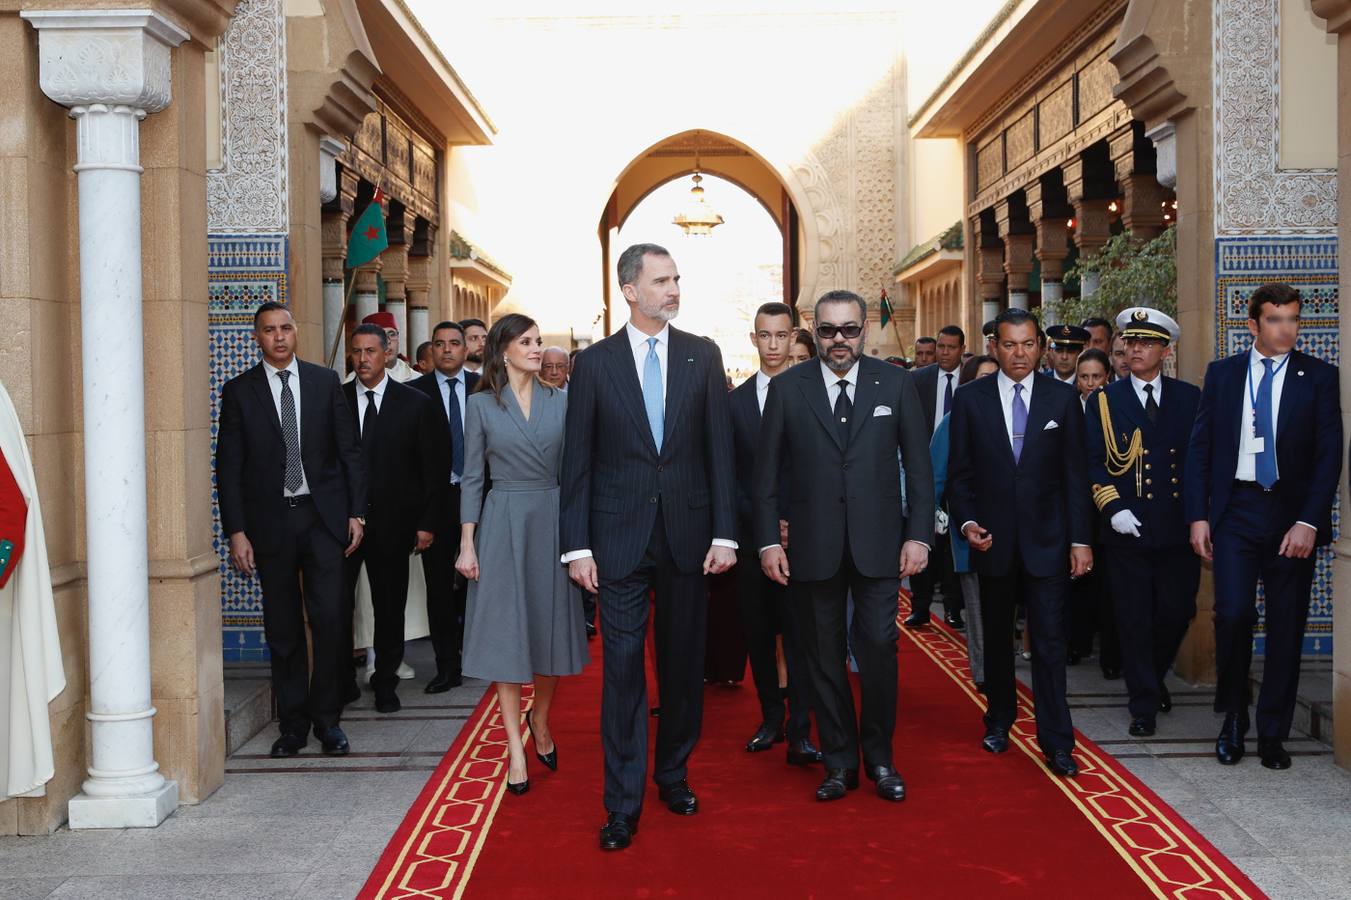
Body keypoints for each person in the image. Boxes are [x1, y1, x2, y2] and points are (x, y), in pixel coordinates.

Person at [560, 243, 736, 851]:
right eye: (661, 281)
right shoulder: (596, 364)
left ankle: (673, 773)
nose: (673, 289)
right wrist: (576, 546)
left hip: (690, 539)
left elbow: (720, 452)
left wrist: (725, 532)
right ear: (629, 290)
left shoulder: (702, 356)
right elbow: (577, 462)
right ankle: (622, 802)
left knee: (685, 668)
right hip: (617, 541)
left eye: (677, 279)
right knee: (623, 674)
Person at [757, 290, 934, 803]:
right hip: (812, 549)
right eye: (829, 330)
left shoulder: (896, 384)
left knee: (878, 648)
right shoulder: (789, 389)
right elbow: (765, 478)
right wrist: (769, 541)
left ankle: (880, 758)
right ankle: (839, 762)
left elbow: (920, 472)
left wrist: (919, 535)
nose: (839, 340)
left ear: (864, 330)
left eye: (849, 330)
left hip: (880, 547)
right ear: (815, 330)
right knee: (822, 656)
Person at [1186, 283, 1342, 769]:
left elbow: (1328, 455)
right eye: (1275, 320)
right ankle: (1234, 716)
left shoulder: (1318, 377)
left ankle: (1272, 733)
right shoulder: (1225, 374)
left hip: (1291, 518)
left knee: (1286, 624)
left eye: (1292, 319)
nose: (1286, 329)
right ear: (1253, 325)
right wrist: (1198, 515)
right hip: (1237, 512)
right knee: (1231, 614)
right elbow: (1201, 449)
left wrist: (1308, 521)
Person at [216, 302, 366, 758]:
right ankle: (294, 724)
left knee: (330, 620)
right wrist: (237, 532)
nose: (278, 337)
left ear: (296, 332)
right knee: (283, 628)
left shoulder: (324, 383)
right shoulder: (239, 391)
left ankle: (328, 722)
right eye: (268, 331)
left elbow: (350, 452)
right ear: (256, 337)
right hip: (271, 524)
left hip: (322, 520)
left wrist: (356, 513)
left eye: (285, 329)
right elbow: (229, 466)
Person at [947, 307, 1092, 777]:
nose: (1020, 353)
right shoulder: (970, 399)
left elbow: (1076, 475)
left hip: (1049, 542)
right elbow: (960, 474)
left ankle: (1057, 740)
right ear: (994, 347)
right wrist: (967, 522)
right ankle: (999, 720)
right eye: (1009, 344)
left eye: (1028, 344)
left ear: (1041, 347)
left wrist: (1080, 540)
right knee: (997, 642)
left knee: (1050, 643)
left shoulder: (1061, 400)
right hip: (993, 544)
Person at [456, 314, 589, 795]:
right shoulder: (481, 407)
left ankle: (542, 718)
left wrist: (582, 541)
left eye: (538, 342)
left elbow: (576, 473)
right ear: (503, 349)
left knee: (550, 637)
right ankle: (515, 749)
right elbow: (473, 477)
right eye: (527, 342)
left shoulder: (564, 402)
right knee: (508, 637)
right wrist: (467, 543)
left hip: (552, 522)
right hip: (504, 522)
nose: (537, 349)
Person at [1084, 309, 1198, 738]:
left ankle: (1149, 674)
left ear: (1165, 351)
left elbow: (1197, 462)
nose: (1135, 349)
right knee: (1132, 617)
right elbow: (1093, 462)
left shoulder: (1189, 398)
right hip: (1125, 529)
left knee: (1177, 610)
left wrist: (1199, 518)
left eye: (1146, 343)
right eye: (1131, 342)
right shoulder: (1104, 401)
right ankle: (1144, 702)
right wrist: (1113, 509)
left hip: (1175, 527)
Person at [730, 301, 820, 764]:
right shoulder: (735, 402)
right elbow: (732, 477)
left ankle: (802, 728)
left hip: (805, 537)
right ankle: (771, 719)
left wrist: (792, 522)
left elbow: (821, 469)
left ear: (793, 338)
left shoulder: (815, 394)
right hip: (751, 539)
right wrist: (766, 525)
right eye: (764, 335)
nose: (773, 344)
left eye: (781, 336)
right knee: (760, 633)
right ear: (754, 339)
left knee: (802, 635)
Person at [341, 324, 445, 713]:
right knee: (338, 605)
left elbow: (432, 468)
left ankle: (385, 681)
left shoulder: (414, 402)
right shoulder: (336, 400)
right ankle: (341, 682)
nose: (363, 359)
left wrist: (426, 523)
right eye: (356, 352)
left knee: (389, 606)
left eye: (370, 351)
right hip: (343, 526)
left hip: (395, 523)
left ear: (388, 354)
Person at [409, 321, 479, 693]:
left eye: (455, 343)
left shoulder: (484, 388)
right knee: (438, 589)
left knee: (478, 584)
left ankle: (481, 656)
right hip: (435, 503)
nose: (448, 350)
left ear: (465, 349)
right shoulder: (412, 394)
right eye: (440, 344)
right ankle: (446, 667)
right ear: (431, 351)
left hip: (480, 499)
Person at [931, 354, 998, 688]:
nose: (989, 384)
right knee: (978, 608)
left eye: (993, 377)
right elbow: (936, 477)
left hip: (1010, 532)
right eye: (981, 378)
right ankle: (984, 673)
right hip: (967, 533)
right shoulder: (953, 421)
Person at [906, 324, 967, 629]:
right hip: (924, 471)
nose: (943, 352)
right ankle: (920, 607)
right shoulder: (918, 379)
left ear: (961, 350)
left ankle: (954, 609)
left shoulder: (972, 381)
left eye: (950, 347)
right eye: (940, 346)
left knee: (954, 545)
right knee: (922, 537)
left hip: (961, 475)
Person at [1072, 348, 1122, 679]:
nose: (1090, 384)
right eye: (1084, 377)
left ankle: (1111, 655)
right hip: (1077, 508)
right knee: (1077, 582)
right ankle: (1076, 642)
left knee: (1111, 586)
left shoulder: (1117, 407)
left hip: (1109, 510)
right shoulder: (1066, 408)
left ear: (1108, 377)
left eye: (1097, 377)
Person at [344, 312, 415, 384]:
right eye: (382, 336)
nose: (388, 341)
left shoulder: (416, 378)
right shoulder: (350, 384)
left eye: (392, 334)